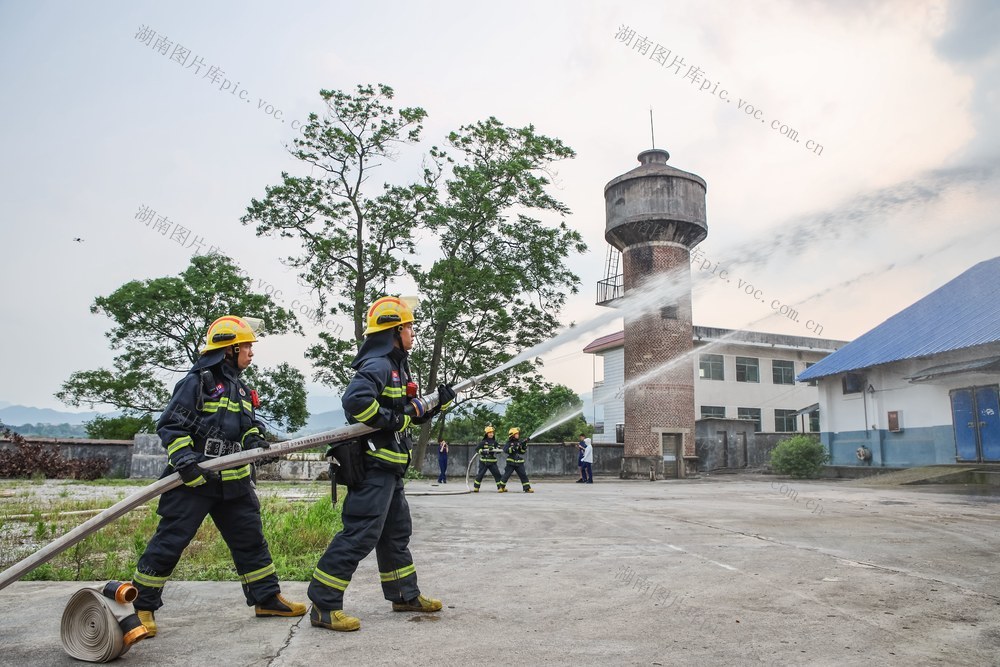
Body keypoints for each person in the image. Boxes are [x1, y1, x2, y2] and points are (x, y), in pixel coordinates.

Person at [132, 316, 305, 637]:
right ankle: (141, 606)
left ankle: (266, 598)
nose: (252, 352)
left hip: (235, 482)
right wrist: (185, 459)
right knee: (170, 542)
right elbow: (171, 425)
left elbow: (249, 425)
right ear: (230, 348)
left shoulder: (240, 387)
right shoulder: (196, 382)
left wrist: (255, 441)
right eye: (248, 346)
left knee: (251, 541)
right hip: (194, 482)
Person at [308, 296, 456, 632]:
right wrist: (394, 419)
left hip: (390, 469)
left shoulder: (397, 366)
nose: (414, 333)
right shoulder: (377, 365)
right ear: (395, 330)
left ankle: (404, 594)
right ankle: (324, 604)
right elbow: (356, 403)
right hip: (373, 468)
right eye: (410, 327)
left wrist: (435, 405)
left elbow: (408, 414)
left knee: (394, 535)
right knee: (359, 534)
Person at [500, 427, 533, 493]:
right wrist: (514, 448)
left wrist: (524, 446)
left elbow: (522, 452)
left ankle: (527, 488)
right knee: (506, 475)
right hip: (511, 462)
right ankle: (501, 487)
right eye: (516, 434)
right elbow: (505, 450)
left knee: (523, 475)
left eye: (518, 434)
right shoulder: (509, 443)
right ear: (512, 435)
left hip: (519, 462)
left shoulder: (519, 442)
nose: (518, 435)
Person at [474, 425, 504, 493]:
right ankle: (476, 487)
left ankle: (500, 487)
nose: (491, 434)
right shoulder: (483, 442)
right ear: (486, 434)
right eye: (490, 433)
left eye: (492, 433)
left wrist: (495, 449)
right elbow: (477, 449)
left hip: (492, 461)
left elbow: (499, 450)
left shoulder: (494, 442)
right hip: (484, 461)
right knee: (480, 474)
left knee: (497, 474)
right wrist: (483, 451)